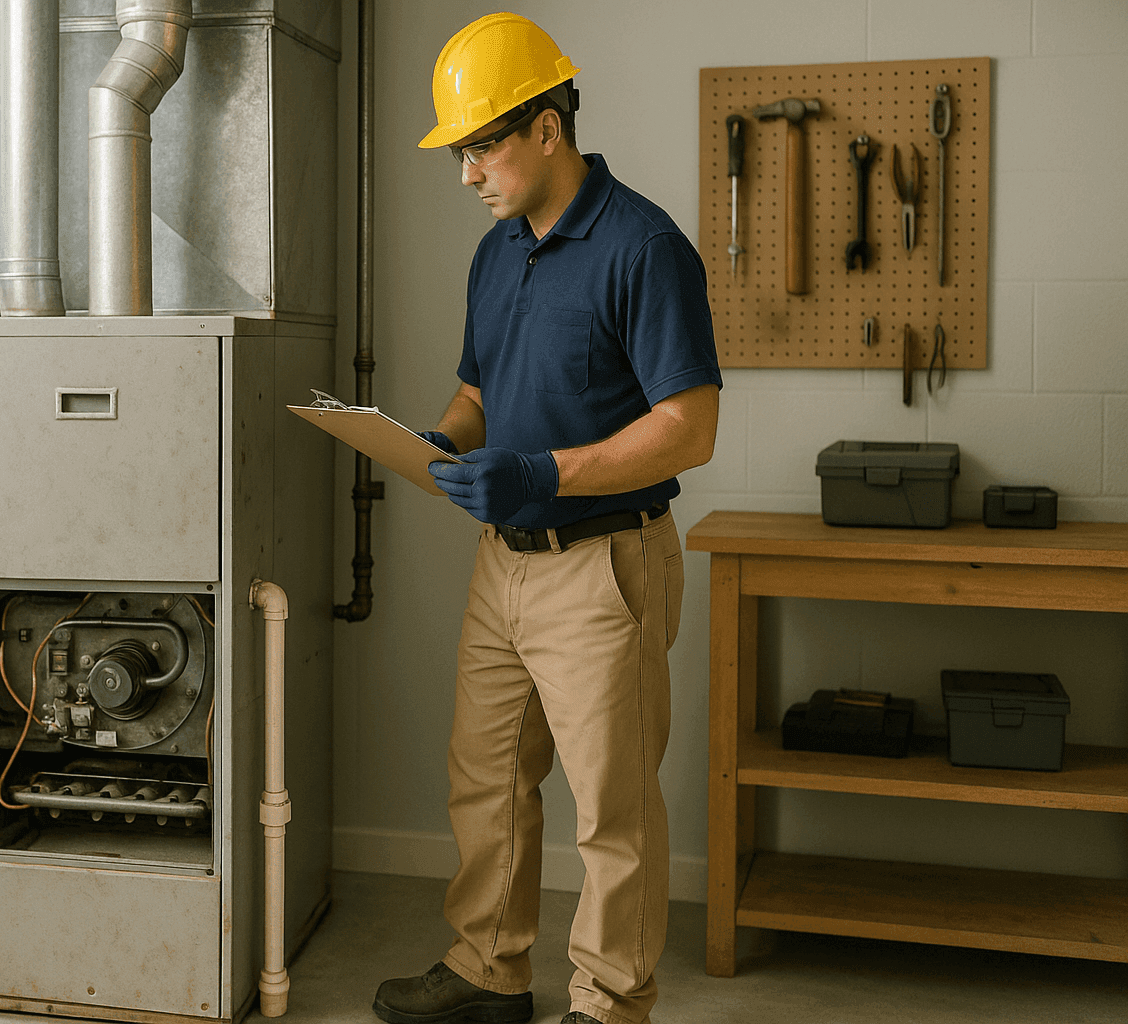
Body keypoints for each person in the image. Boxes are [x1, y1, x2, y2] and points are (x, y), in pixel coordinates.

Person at [370, 13, 722, 1024]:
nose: (467, 171)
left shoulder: (644, 247)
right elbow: (478, 393)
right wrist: (438, 442)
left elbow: (689, 429)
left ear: (549, 129)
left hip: (603, 564)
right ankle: (489, 973)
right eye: (462, 150)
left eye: (482, 144)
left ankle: (611, 1004)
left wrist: (546, 472)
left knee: (612, 810)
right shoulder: (496, 255)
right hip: (504, 567)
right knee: (485, 782)